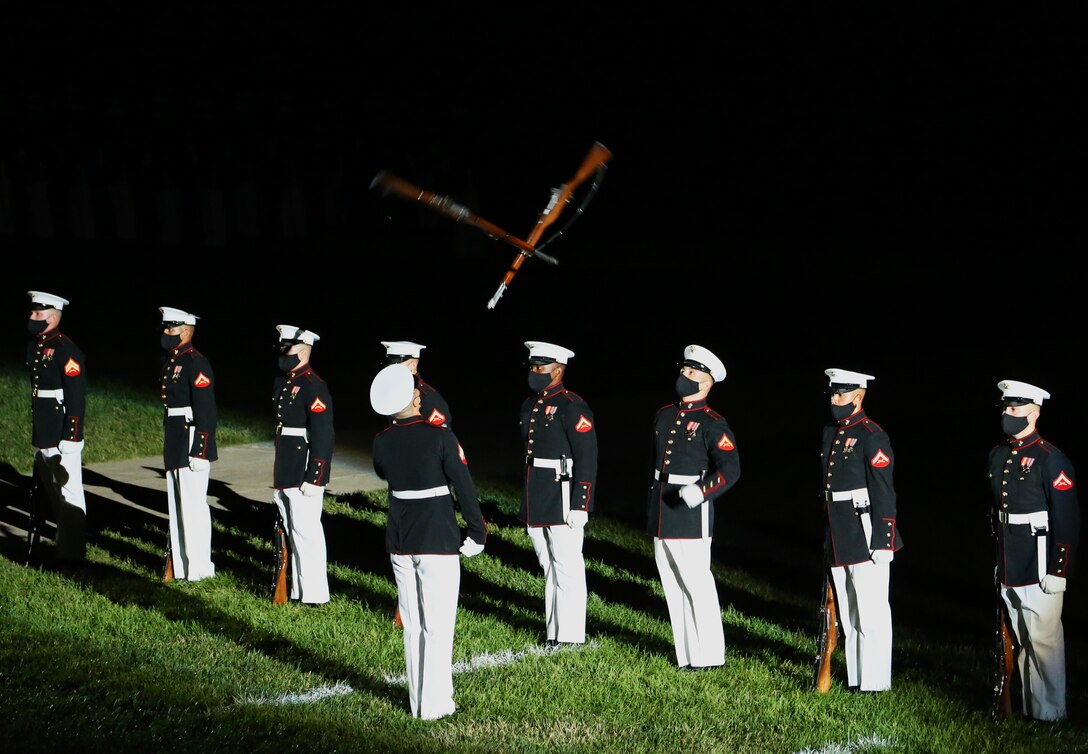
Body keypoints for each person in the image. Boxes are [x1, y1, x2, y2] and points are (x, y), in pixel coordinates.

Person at [370, 363, 487, 721]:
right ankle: (435, 707)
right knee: (438, 626)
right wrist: (477, 531)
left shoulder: (382, 441)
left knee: (415, 625)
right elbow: (463, 487)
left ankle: (419, 701)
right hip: (436, 536)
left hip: (400, 538)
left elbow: (383, 472)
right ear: (414, 398)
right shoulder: (440, 437)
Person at [990, 379, 1079, 721]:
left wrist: (1059, 570)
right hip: (1011, 558)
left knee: (1044, 641)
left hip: (1039, 560)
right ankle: (1032, 708)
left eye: (1015, 408)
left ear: (1035, 412)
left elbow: (1067, 520)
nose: (1009, 413)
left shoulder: (1051, 459)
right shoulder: (998, 456)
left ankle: (1052, 713)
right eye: (1006, 408)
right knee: (1023, 638)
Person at [647, 344, 739, 671]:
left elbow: (731, 470)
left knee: (696, 583)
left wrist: (700, 492)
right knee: (672, 584)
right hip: (663, 506)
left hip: (690, 512)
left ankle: (711, 657)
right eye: (684, 370)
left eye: (692, 373)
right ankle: (688, 657)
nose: (684, 376)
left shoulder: (713, 423)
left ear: (707, 382)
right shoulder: (665, 414)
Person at [820, 367, 902, 692]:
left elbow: (884, 489)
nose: (835, 399)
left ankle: (875, 683)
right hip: (839, 530)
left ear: (858, 395)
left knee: (872, 613)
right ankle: (856, 679)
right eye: (833, 393)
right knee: (849, 611)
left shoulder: (872, 435)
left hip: (864, 527)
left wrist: (883, 540)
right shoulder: (831, 432)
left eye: (841, 393)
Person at [519, 341, 598, 649]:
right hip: (536, 491)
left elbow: (587, 458)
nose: (536, 372)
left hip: (562, 491)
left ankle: (571, 635)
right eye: (533, 367)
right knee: (548, 564)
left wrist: (582, 502)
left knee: (567, 565)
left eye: (542, 368)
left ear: (559, 370)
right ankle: (555, 632)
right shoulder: (530, 404)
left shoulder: (572, 406)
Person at [272, 325, 334, 606]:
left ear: (305, 350)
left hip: (304, 463)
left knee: (306, 529)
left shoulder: (313, 385)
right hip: (287, 462)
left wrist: (316, 475)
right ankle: (297, 589)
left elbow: (323, 434)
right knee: (292, 528)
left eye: (290, 348)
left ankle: (314, 594)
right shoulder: (284, 381)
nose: (285, 353)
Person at [26, 290, 87, 563]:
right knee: (53, 490)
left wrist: (72, 434)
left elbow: (75, 394)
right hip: (45, 428)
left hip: (62, 430)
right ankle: (63, 544)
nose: (31, 317)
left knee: (70, 490)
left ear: (52, 317)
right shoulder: (35, 345)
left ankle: (73, 554)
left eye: (37, 313)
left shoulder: (66, 349)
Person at [159, 306, 218, 581]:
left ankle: (200, 570)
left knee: (194, 506)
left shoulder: (196, 362)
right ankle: (183, 567)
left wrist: (201, 448)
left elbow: (206, 410)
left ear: (185, 330)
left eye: (171, 328)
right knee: (177, 506)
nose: (166, 332)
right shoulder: (173, 360)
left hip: (191, 436)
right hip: (175, 437)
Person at [381, 340, 452, 429]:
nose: (391, 369)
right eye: (389, 364)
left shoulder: (429, 398)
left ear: (413, 366)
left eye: (396, 364)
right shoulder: (392, 391)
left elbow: (442, 438)